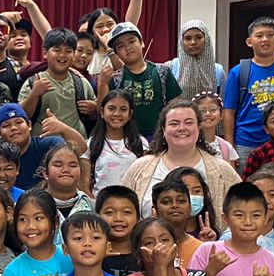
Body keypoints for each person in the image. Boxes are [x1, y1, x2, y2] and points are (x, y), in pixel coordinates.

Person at [122, 98, 241, 227]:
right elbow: (122, 208)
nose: (182, 128)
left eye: (189, 123)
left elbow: (241, 212)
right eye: (174, 123)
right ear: (163, 129)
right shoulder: (140, 167)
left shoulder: (222, 170)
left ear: (199, 127)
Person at [222, 17, 274, 168]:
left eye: (270, 35)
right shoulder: (238, 72)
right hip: (246, 144)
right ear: (249, 41)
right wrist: (229, 151)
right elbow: (228, 113)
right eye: (259, 36)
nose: (265, 39)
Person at [0, 190, 73, 276]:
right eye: (23, 220)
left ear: (55, 222)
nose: (30, 226)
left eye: (38, 218)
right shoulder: (13, 271)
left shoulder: (72, 258)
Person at [106, 21, 180, 141]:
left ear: (142, 43)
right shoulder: (115, 79)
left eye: (131, 41)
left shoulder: (163, 72)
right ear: (116, 53)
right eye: (120, 46)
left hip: (161, 137)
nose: (127, 48)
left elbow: (176, 105)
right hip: (127, 139)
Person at [19, 29, 96, 136]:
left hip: (76, 148)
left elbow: (96, 116)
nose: (62, 55)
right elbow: (22, 117)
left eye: (68, 51)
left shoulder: (82, 83)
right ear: (45, 53)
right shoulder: (33, 82)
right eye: (57, 50)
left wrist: (94, 109)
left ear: (74, 54)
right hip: (43, 148)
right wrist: (34, 94)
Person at [89, 89, 145, 193]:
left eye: (123, 109)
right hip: (101, 205)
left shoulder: (141, 143)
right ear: (102, 112)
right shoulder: (91, 144)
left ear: (130, 114)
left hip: (132, 204)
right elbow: (86, 182)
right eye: (111, 108)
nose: (117, 114)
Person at [169, 19, 226, 95]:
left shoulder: (218, 70)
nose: (193, 42)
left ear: (206, 39)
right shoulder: (172, 67)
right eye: (188, 38)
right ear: (181, 42)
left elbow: (223, 100)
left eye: (199, 37)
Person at [97, 185, 143, 276]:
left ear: (138, 218)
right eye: (109, 212)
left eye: (127, 212)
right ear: (97, 216)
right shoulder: (92, 253)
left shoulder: (144, 255)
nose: (118, 218)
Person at [193, 91, 240, 164]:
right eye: (202, 111)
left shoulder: (226, 147)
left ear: (221, 114)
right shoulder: (189, 145)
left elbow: (231, 174)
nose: (208, 113)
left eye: (213, 110)